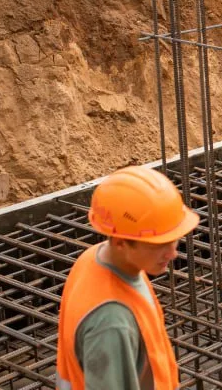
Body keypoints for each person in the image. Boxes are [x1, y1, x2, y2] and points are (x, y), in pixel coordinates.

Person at [57, 166, 200, 390]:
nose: (173, 253)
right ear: (121, 243)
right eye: (159, 245)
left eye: (174, 240)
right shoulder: (111, 323)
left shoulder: (93, 258)